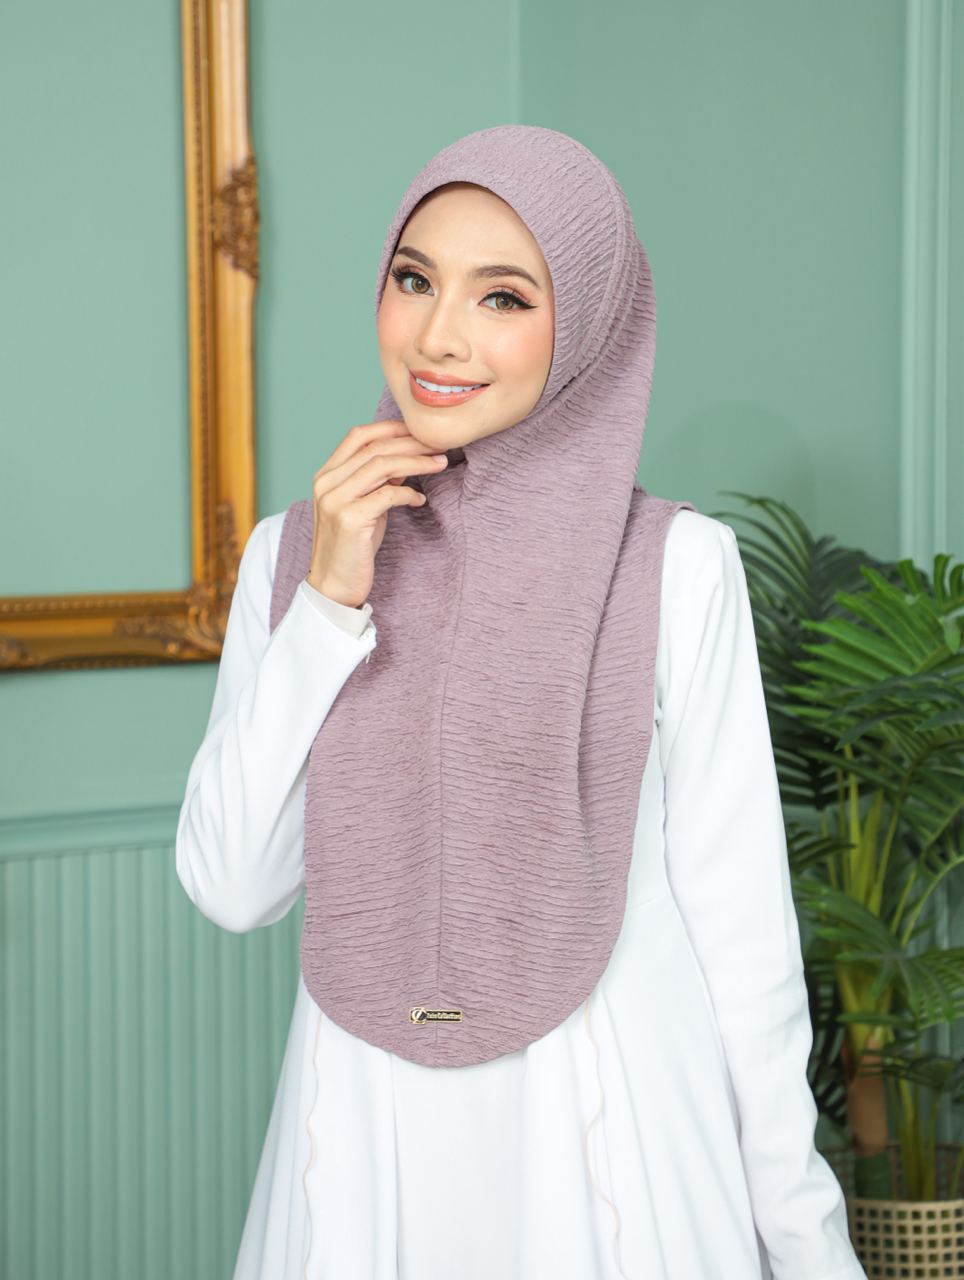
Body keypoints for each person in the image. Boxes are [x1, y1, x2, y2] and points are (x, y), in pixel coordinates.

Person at [175, 125, 867, 1280]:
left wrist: (809, 1248)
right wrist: (330, 601)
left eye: (502, 296)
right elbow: (234, 883)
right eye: (414, 279)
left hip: (609, 1151)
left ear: (587, 321)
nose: (438, 336)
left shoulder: (674, 567)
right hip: (365, 1142)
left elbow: (745, 948)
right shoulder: (293, 557)